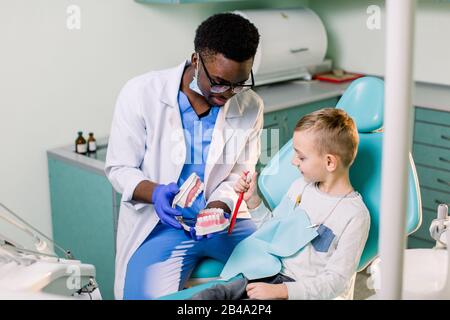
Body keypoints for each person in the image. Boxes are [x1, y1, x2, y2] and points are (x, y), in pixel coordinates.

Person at [105, 13, 263, 300]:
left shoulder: (250, 106)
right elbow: (119, 168)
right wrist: (156, 193)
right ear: (195, 60)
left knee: (277, 274)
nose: (228, 93)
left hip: (224, 223)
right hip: (162, 224)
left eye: (238, 84)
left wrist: (217, 207)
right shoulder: (141, 93)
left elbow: (238, 175)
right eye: (218, 82)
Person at [191, 108, 370, 300]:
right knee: (216, 294)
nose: (293, 162)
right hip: (270, 274)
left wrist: (282, 291)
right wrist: (253, 201)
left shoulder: (354, 216)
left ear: (329, 162)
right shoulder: (301, 187)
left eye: (301, 157)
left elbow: (336, 282)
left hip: (301, 292)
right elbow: (274, 233)